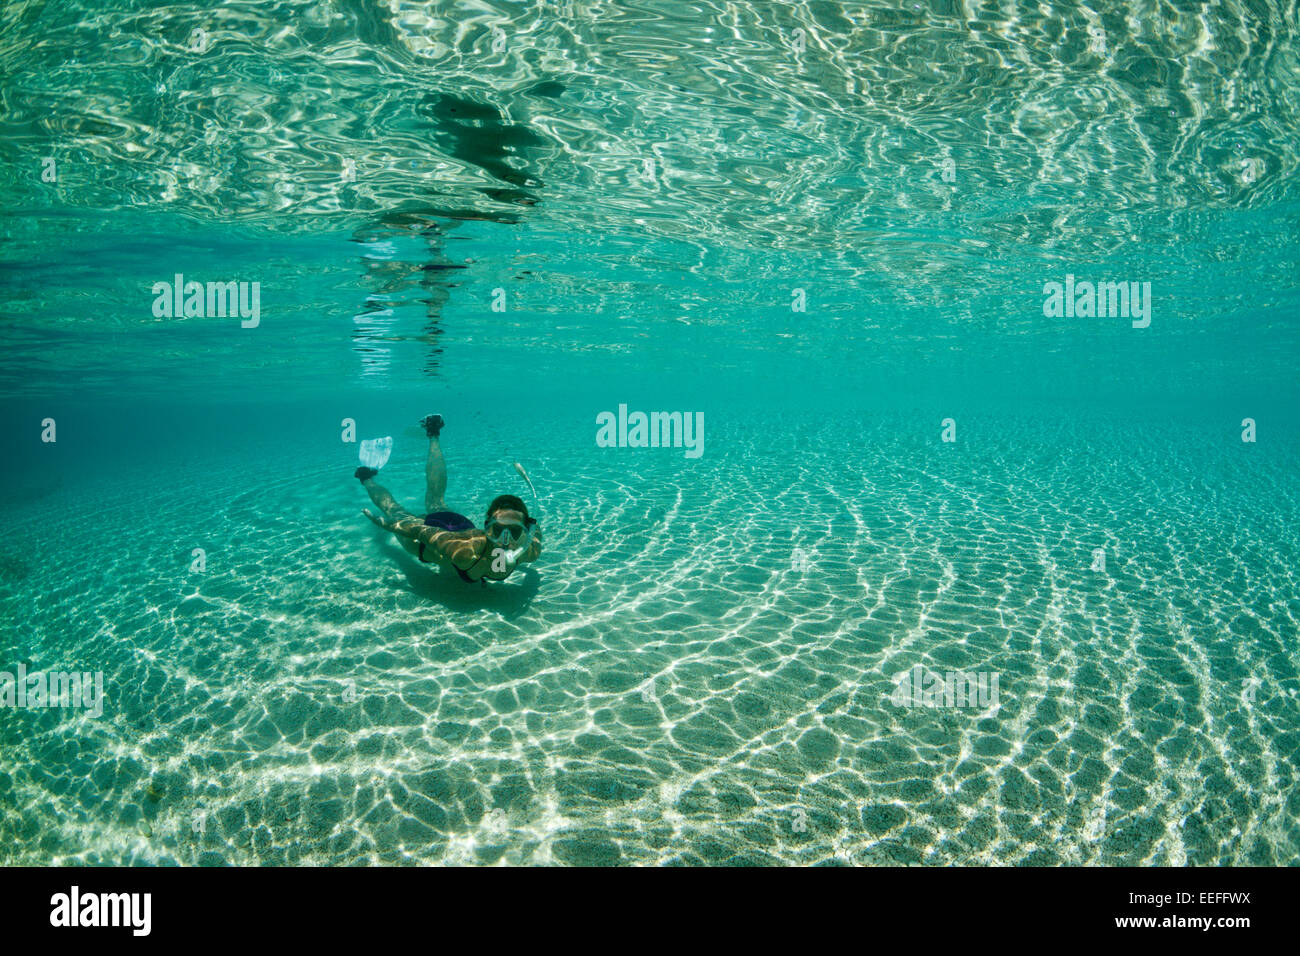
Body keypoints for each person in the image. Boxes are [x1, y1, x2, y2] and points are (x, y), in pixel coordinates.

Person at [356, 414, 542, 584]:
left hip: (457, 525)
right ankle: (365, 478)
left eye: (515, 532)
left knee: (435, 500)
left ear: (526, 531)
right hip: (424, 542)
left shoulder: (529, 550)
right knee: (394, 511)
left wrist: (530, 525)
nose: (505, 541)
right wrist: (384, 524)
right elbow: (419, 531)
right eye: (498, 530)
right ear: (487, 528)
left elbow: (535, 531)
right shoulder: (465, 554)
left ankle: (433, 434)